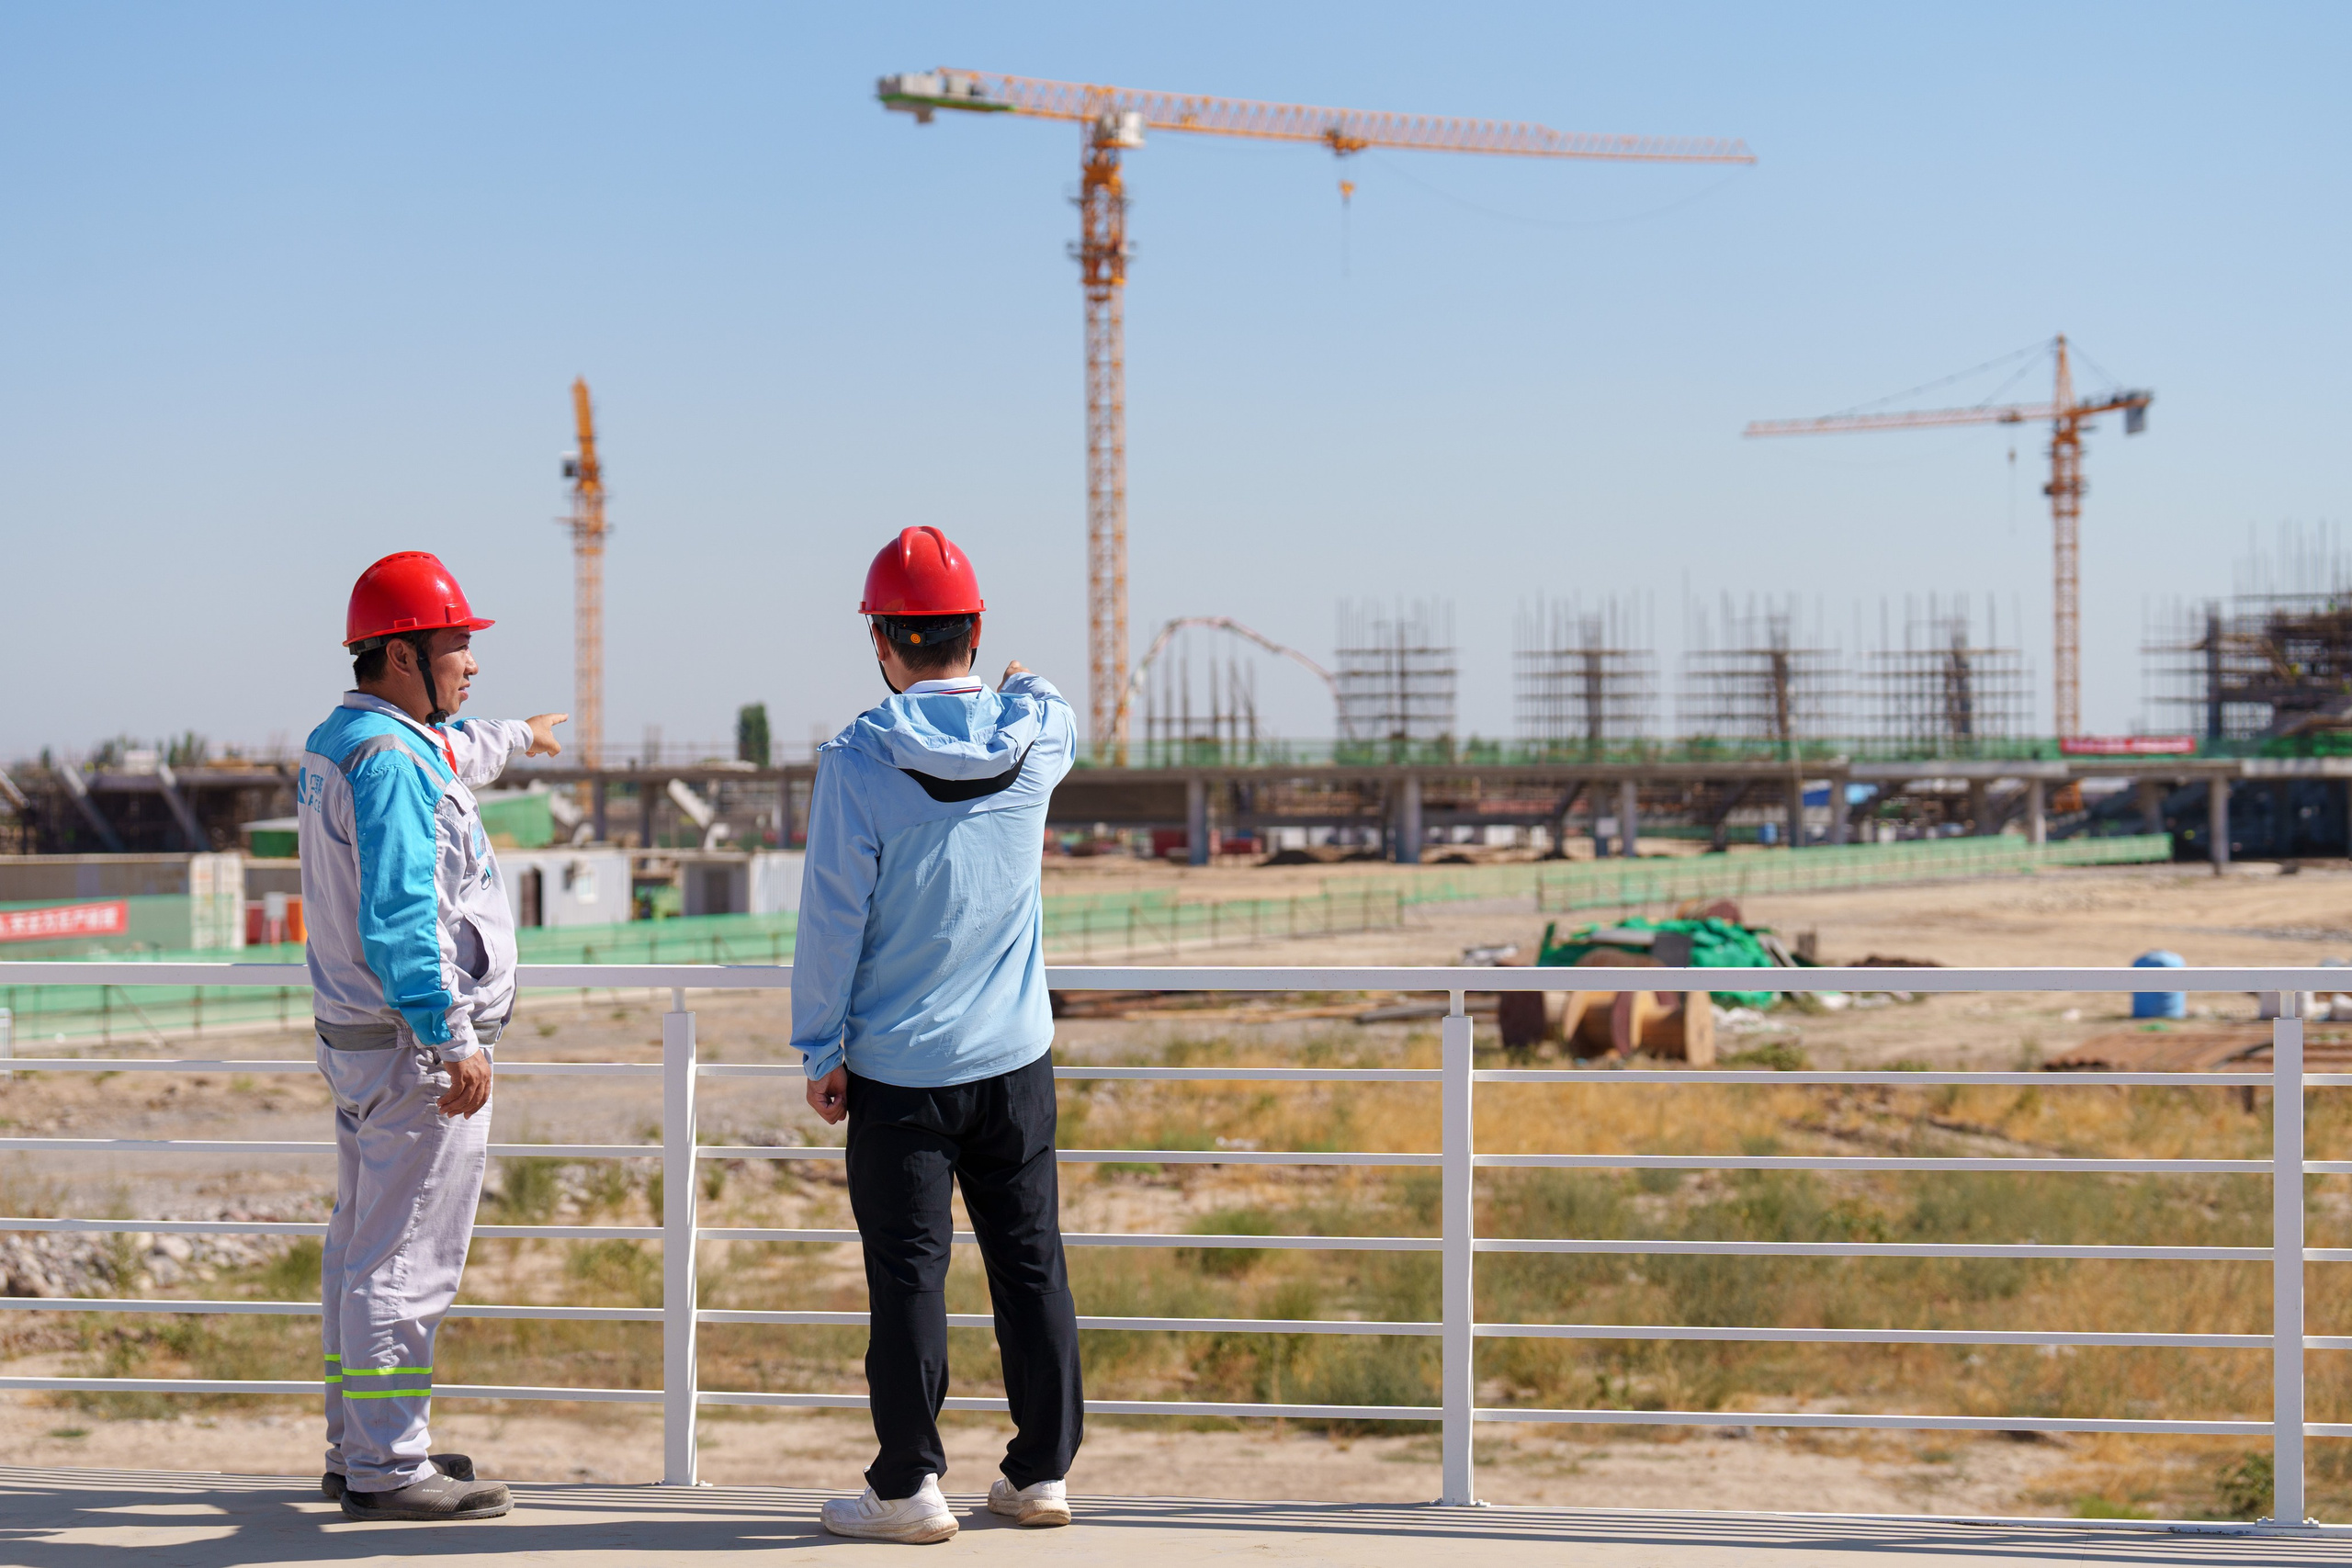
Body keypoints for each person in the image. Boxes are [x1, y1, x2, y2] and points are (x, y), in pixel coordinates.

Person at [794, 525, 1081, 1543]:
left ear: (882, 640)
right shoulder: (1036, 738)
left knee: (908, 1276)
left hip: (897, 1071)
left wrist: (818, 1046)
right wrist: (1024, 676)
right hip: (1014, 1061)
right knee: (1031, 1262)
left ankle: (909, 1487)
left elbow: (832, 917)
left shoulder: (859, 760)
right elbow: (1056, 706)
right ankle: (1040, 1474)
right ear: (972, 631)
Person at [296, 550, 564, 1521]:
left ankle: (361, 1444)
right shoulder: (394, 766)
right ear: (403, 654)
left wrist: (519, 740)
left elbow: (455, 750)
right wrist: (453, 1038)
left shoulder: (358, 740)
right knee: (404, 1261)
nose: (472, 661)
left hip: (364, 1040)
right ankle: (384, 1466)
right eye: (457, 643)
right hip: (413, 1051)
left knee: (363, 1248)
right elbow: (404, 917)